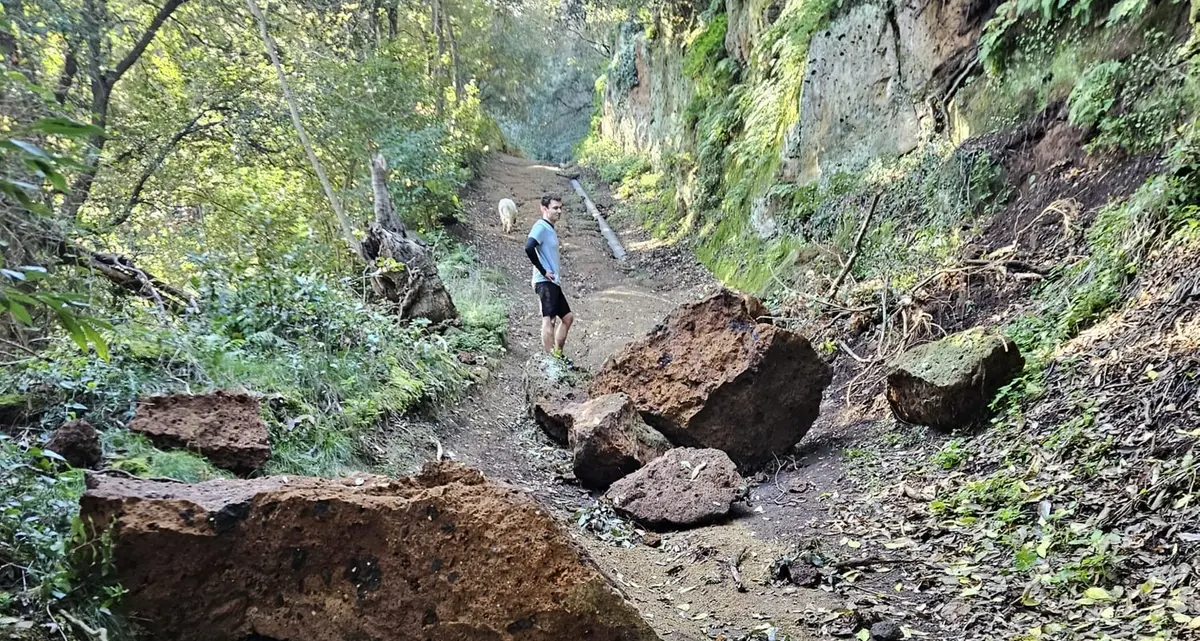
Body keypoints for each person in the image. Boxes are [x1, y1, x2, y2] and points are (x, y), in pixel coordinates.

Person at [525, 194, 574, 360]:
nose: (559, 211)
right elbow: (529, 247)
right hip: (544, 281)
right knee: (549, 320)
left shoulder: (550, 229)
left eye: (560, 208)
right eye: (555, 208)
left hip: (553, 282)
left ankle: (558, 356)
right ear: (544, 209)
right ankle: (551, 362)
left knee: (567, 318)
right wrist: (543, 270)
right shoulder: (541, 226)